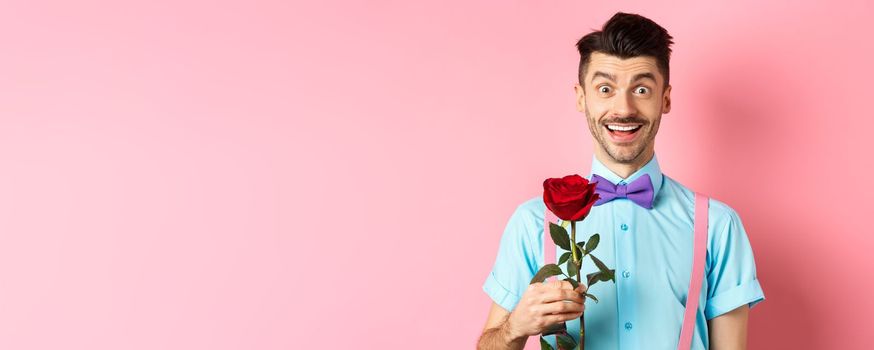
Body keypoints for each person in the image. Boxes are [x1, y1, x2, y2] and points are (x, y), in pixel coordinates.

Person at [477, 12, 765, 350]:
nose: (623, 107)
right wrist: (515, 327)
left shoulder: (718, 226)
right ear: (582, 97)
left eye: (641, 89)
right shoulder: (532, 224)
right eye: (605, 88)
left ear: (665, 99)